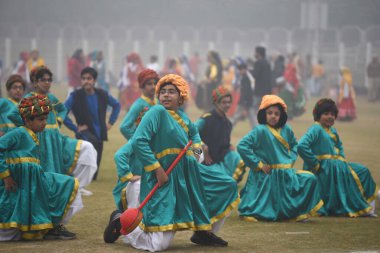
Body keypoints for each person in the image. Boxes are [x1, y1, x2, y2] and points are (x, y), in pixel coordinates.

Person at [104, 74, 237, 251]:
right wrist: (157, 169)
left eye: (172, 92)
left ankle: (203, 232)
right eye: (163, 92)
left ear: (181, 96)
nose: (166, 95)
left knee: (227, 185)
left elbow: (195, 136)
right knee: (159, 245)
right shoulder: (156, 112)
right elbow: (138, 141)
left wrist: (198, 153)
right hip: (165, 177)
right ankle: (122, 221)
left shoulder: (183, 118)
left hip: (191, 174)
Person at [0, 95, 83, 241]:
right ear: (27, 120)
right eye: (41, 119)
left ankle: (53, 226)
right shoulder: (18, 133)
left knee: (68, 184)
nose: (45, 123)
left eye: (45, 119)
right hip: (21, 183)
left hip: (33, 182)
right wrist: (5, 175)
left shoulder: (34, 135)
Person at [8, 66, 97, 195]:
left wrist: (59, 121)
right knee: (46, 166)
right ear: (36, 82)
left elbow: (63, 109)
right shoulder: (29, 98)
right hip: (39, 138)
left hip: (56, 137)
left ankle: (77, 186)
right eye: (44, 80)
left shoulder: (51, 98)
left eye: (49, 80)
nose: (47, 82)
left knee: (87, 148)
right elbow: (13, 114)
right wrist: (29, 125)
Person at [237, 95, 323, 221]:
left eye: (277, 114)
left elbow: (295, 145)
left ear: (281, 115)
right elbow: (242, 146)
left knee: (310, 179)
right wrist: (259, 164)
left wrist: (290, 160)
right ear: (263, 114)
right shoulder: (260, 130)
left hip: (286, 173)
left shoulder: (286, 129)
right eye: (270, 113)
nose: (273, 116)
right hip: (268, 174)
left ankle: (298, 211)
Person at [298, 98, 378, 217]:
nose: (330, 117)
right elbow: (301, 146)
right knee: (356, 174)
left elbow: (339, 146)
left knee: (363, 171)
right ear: (318, 115)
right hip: (324, 170)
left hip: (338, 167)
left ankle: (369, 203)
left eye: (332, 114)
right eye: (326, 114)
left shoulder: (333, 130)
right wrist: (315, 164)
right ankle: (363, 207)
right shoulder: (316, 128)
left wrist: (342, 161)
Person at [64, 67, 120, 180]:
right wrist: (75, 128)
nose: (86, 81)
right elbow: (62, 112)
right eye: (83, 78)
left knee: (94, 174)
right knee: (85, 165)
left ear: (94, 80)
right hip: (85, 134)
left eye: (89, 78)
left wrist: (110, 122)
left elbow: (117, 105)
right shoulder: (75, 96)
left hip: (100, 134)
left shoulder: (102, 94)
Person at [196, 86, 246, 182]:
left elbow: (221, 142)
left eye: (229, 102)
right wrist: (202, 146)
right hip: (203, 158)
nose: (227, 105)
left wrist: (229, 145)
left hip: (219, 157)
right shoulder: (206, 118)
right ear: (216, 103)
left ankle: (230, 183)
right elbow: (191, 133)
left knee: (239, 161)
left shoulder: (228, 123)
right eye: (224, 102)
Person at [120, 68, 159, 140]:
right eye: (149, 84)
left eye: (155, 83)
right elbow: (124, 127)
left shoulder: (158, 102)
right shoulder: (139, 105)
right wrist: (137, 142)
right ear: (142, 86)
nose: (153, 86)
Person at [231, 62, 256, 128]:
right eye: (239, 69)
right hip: (249, 102)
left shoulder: (245, 79)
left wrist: (245, 105)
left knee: (235, 117)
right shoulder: (248, 77)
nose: (240, 71)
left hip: (244, 102)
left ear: (245, 69)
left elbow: (245, 92)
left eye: (241, 69)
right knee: (252, 119)